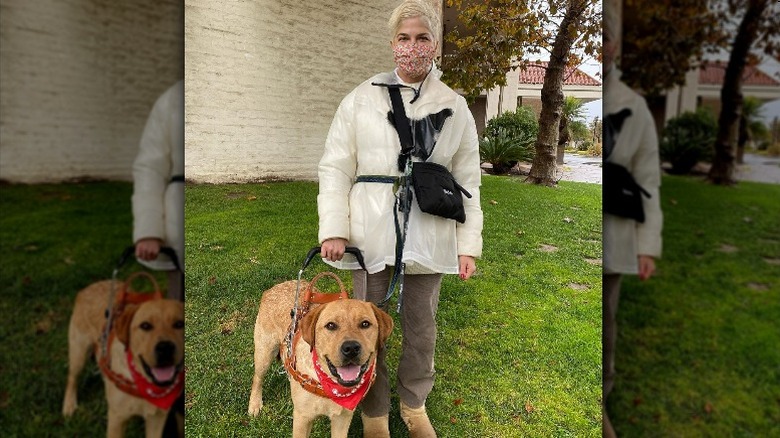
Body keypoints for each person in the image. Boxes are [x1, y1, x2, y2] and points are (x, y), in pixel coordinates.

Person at [317, 1, 483, 437]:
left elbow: (468, 181)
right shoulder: (360, 97)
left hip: (430, 229)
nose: (413, 46)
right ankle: (374, 413)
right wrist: (333, 227)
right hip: (368, 230)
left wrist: (468, 244)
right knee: (365, 323)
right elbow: (335, 166)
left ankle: (413, 404)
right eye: (404, 38)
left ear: (435, 46)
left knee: (421, 325)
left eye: (423, 38)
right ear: (393, 44)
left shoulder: (456, 107)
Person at [602, 2, 663, 436]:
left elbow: (648, 178)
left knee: (607, 320)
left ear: (615, 45)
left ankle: (600, 398)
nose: (599, 46)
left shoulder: (634, 107)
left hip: (618, 235)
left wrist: (647, 246)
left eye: (605, 38)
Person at [132, 80, 185, 301]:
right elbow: (150, 169)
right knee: (177, 299)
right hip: (176, 213)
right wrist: (149, 230)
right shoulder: (172, 100)